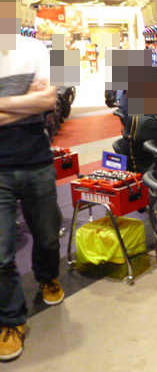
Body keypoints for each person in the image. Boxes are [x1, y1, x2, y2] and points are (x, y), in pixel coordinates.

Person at [0, 28, 65, 359]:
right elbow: (36, 103)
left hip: (36, 160)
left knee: (48, 236)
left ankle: (48, 277)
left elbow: (48, 101)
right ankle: (11, 319)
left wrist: (6, 106)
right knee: (0, 254)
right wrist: (26, 103)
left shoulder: (35, 48)